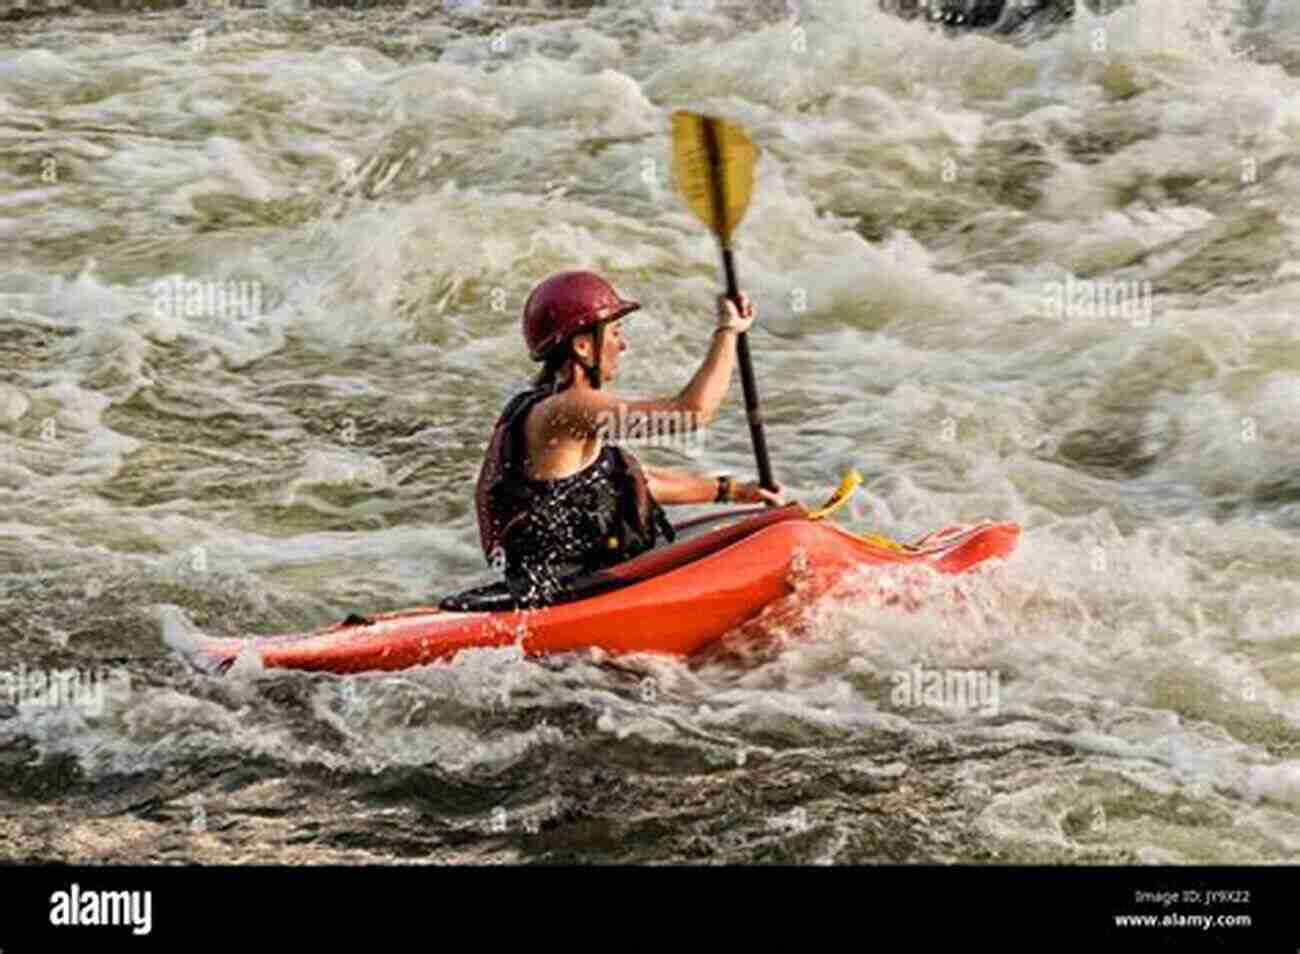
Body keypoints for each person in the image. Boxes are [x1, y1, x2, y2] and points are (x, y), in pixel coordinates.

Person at [474, 269, 785, 608]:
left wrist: (735, 492)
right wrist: (728, 332)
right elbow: (692, 413)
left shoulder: (552, 408)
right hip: (561, 595)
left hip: (573, 581)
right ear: (582, 346)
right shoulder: (568, 409)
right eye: (615, 333)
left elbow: (638, 482)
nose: (623, 345)